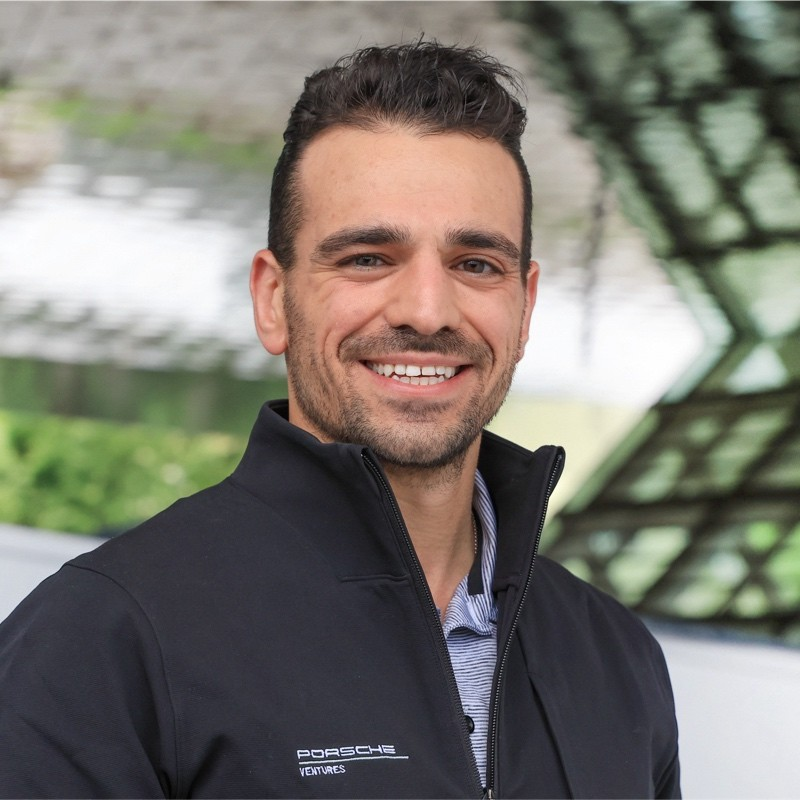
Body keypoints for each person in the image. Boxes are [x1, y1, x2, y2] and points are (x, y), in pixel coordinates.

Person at [0, 41, 680, 798]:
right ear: (272, 299)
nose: (427, 311)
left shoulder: (615, 657)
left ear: (525, 310)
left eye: (476, 264)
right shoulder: (103, 637)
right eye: (367, 258)